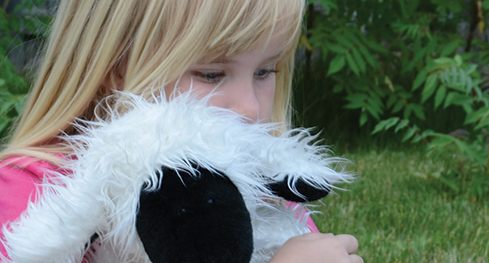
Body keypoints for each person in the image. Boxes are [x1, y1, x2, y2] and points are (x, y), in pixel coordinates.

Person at [0, 1, 362, 262]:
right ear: (117, 67)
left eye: (265, 71)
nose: (251, 107)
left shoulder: (263, 190)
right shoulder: (31, 193)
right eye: (211, 74)